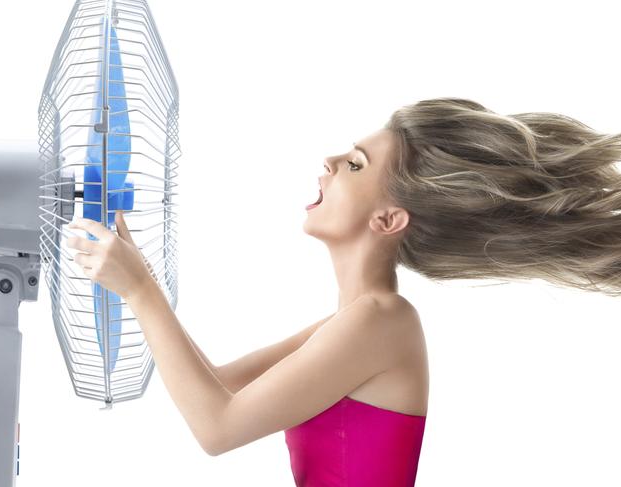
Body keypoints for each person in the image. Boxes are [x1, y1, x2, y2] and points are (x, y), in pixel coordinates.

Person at [66, 96, 621, 486]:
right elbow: (213, 387)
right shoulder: (359, 322)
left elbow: (217, 428)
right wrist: (138, 280)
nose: (328, 162)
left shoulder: (381, 321)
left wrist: (140, 290)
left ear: (387, 220)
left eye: (355, 165)